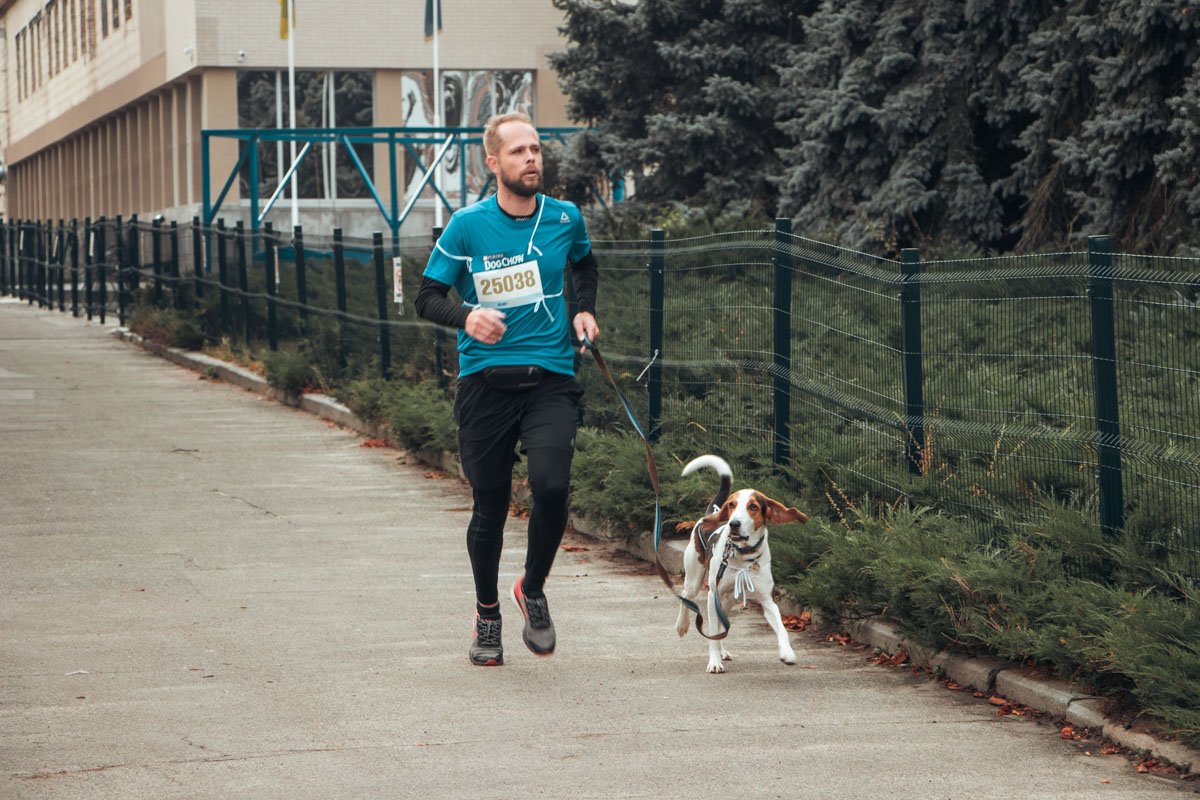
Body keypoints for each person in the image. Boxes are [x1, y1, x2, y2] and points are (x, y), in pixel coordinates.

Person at [415, 112, 600, 667]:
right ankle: (487, 613)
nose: (532, 159)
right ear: (493, 163)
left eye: (536, 149)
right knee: (490, 505)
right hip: (485, 387)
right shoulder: (467, 226)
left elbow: (585, 264)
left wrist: (584, 309)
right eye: (519, 151)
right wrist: (466, 316)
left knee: (549, 487)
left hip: (549, 378)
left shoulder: (564, 218)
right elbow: (427, 296)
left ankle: (533, 588)